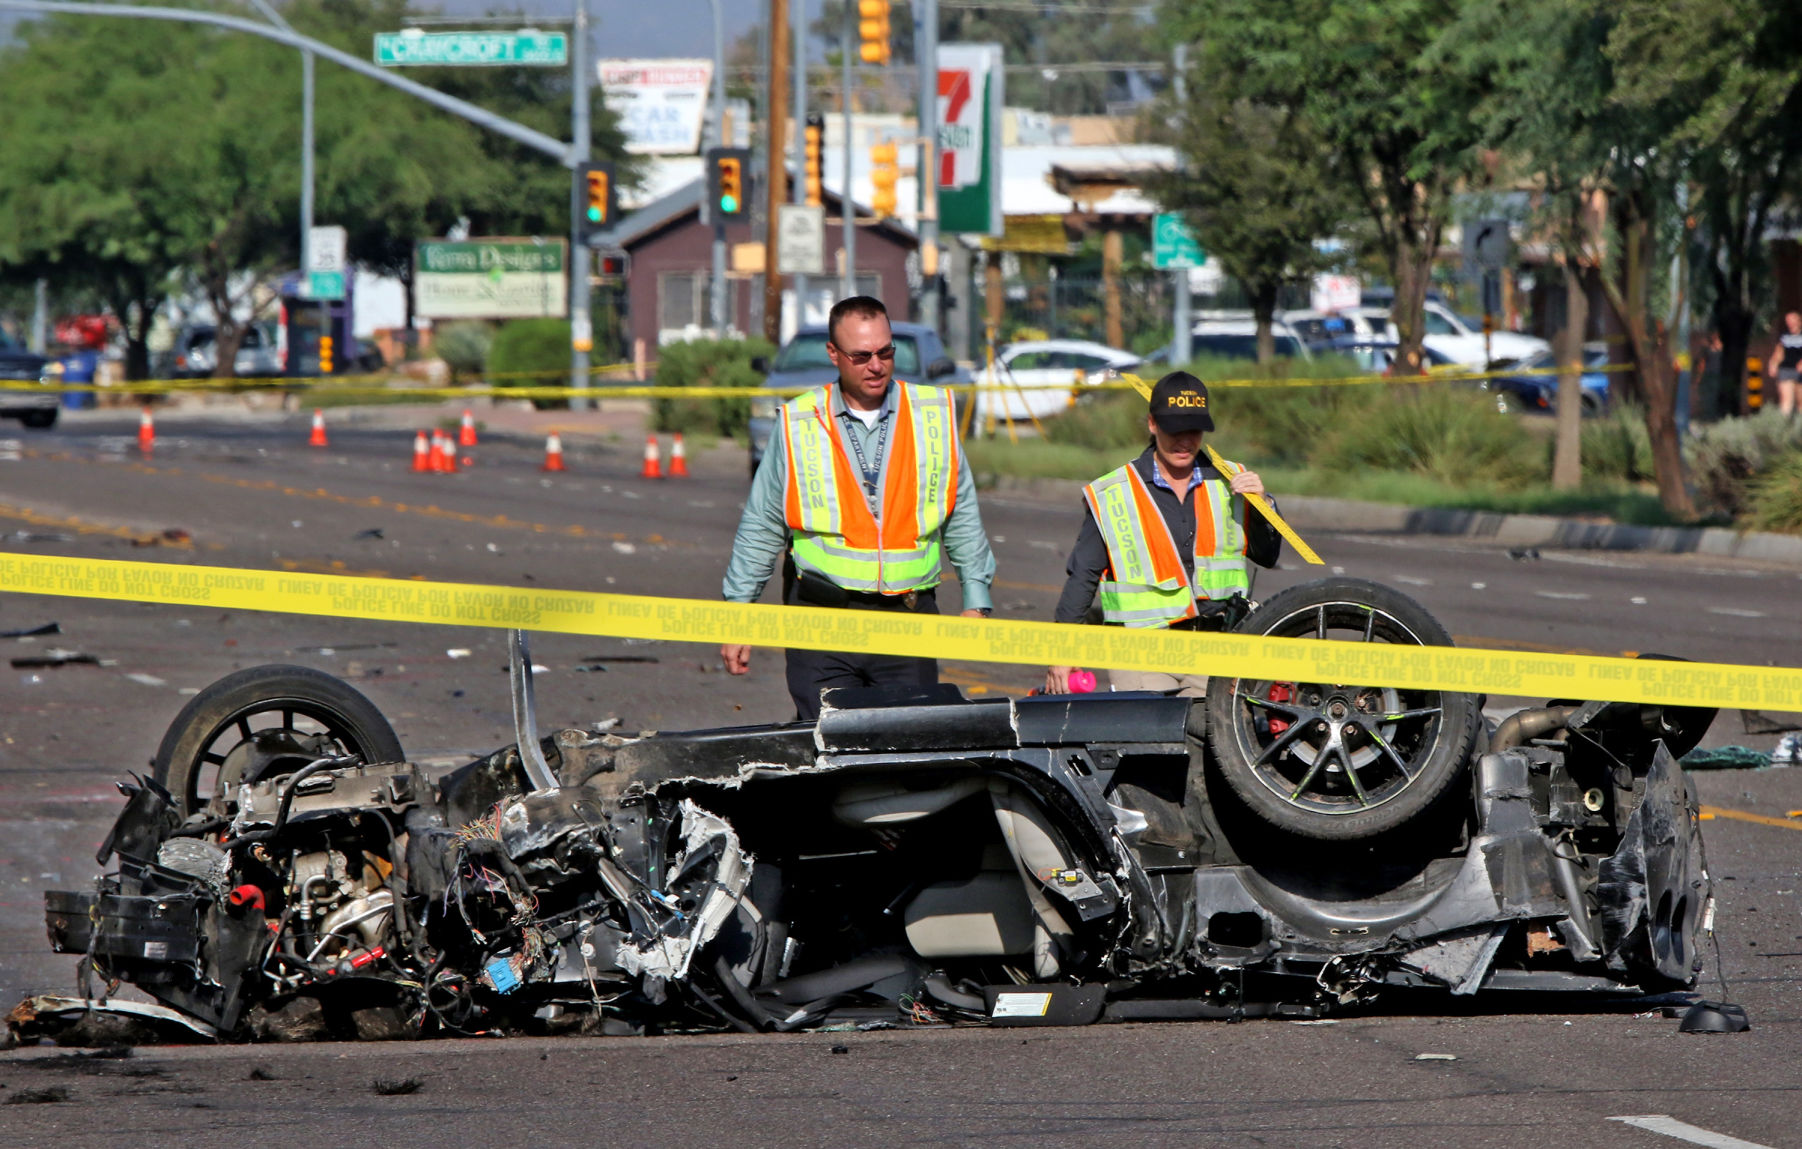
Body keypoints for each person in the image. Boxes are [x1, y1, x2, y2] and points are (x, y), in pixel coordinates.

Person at [720, 295, 995, 720]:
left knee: (906, 749)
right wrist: (739, 615)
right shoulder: (800, 422)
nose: (877, 365)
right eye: (862, 355)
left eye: (886, 352)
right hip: (821, 619)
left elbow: (961, 513)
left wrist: (976, 598)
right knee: (829, 750)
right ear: (834, 354)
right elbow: (763, 524)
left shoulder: (932, 415)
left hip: (908, 619)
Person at [1045, 371, 1281, 697]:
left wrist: (1264, 504)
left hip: (1215, 647)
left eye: (1194, 430)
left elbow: (1267, 555)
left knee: (1214, 740)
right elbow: (1083, 576)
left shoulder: (1232, 480)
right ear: (1153, 424)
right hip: (1141, 650)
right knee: (1153, 740)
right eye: (1174, 429)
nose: (1185, 441)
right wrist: (1063, 651)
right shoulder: (1115, 492)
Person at [1766, 311, 1802, 416]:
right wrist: (1773, 364)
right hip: (1786, 370)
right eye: (1788, 320)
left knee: (1800, 403)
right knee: (1786, 402)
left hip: (1800, 371)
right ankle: (1782, 428)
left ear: (1799, 321)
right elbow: (1778, 353)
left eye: (1792, 319)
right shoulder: (1784, 336)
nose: (1790, 322)